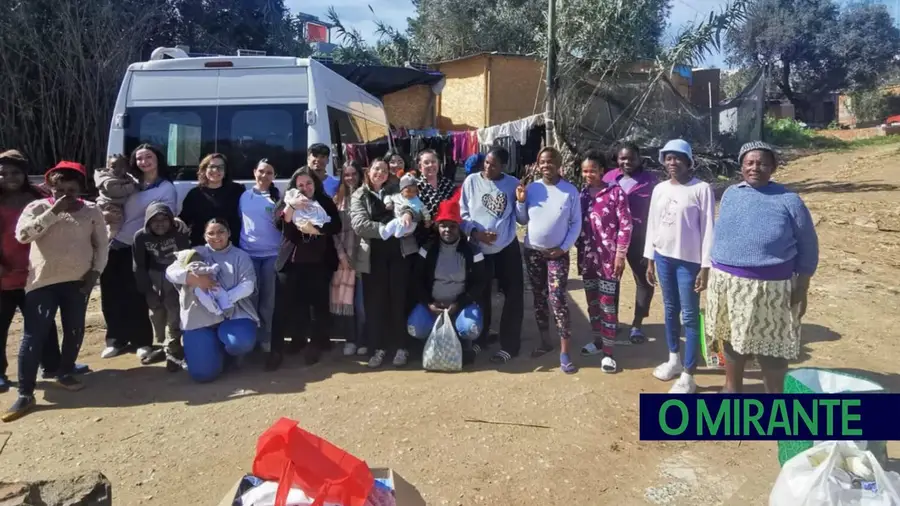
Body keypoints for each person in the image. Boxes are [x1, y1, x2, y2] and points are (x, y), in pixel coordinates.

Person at [707, 141, 819, 393]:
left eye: (762, 163)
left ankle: (775, 399)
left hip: (771, 288)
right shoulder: (730, 194)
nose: (755, 167)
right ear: (741, 166)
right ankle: (731, 388)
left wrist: (803, 285)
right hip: (728, 283)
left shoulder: (789, 200)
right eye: (750, 162)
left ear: (773, 168)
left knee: (772, 346)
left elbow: (808, 246)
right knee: (733, 339)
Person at [3, 162, 107, 422]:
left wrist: (95, 273)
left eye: (71, 190)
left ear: (80, 189)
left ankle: (64, 371)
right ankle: (26, 392)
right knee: (33, 336)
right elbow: (23, 236)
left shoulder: (91, 211)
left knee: (74, 329)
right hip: (42, 282)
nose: (65, 196)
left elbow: (101, 245)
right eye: (59, 190)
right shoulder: (37, 208)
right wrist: (53, 211)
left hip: (78, 281)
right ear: (50, 188)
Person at [0, 150, 76, 393]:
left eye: (15, 172)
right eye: (3, 173)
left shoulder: (39, 197)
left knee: (44, 323)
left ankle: (52, 365)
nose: (9, 177)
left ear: (24, 174)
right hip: (4, 273)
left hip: (36, 272)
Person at [644, 139, 715, 394]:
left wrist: (705, 266)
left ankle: (688, 374)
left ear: (688, 161)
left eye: (678, 158)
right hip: (663, 257)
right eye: (668, 158)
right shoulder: (660, 189)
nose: (672, 163)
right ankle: (674, 358)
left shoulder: (701, 189)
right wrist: (650, 259)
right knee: (670, 309)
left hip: (689, 262)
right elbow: (653, 224)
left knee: (690, 316)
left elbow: (708, 228)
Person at [101, 144, 179, 361]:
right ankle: (115, 340)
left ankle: (142, 342)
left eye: (149, 157)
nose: (144, 162)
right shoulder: (130, 183)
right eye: (139, 158)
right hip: (113, 242)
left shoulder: (165, 188)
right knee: (111, 294)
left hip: (140, 246)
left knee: (137, 294)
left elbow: (166, 218)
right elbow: (107, 198)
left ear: (157, 159)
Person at [165, 219, 258, 383]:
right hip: (200, 317)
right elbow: (170, 272)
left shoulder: (240, 256)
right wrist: (193, 279)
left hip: (233, 313)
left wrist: (222, 300)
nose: (216, 237)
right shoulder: (193, 253)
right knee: (203, 375)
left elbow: (248, 285)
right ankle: (210, 352)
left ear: (229, 233)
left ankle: (227, 353)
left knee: (240, 342)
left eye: (221, 231)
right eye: (211, 233)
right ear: (204, 236)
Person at [515, 147, 582, 373]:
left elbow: (575, 224)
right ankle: (545, 341)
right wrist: (521, 202)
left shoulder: (570, 191)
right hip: (533, 252)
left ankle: (565, 351)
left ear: (558, 164)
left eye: (550, 162)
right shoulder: (532, 188)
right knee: (539, 297)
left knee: (558, 298)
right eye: (542, 162)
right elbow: (522, 220)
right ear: (537, 164)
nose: (546, 166)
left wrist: (563, 248)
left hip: (558, 254)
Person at [268, 167, 342, 369]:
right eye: (300, 184)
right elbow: (278, 223)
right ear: (294, 185)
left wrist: (316, 228)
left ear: (315, 184)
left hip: (318, 262)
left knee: (317, 306)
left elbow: (336, 226)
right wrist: (292, 206)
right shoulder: (287, 200)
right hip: (290, 262)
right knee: (284, 307)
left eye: (308, 183)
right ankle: (278, 348)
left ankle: (316, 343)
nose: (305, 188)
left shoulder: (324, 201)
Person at [459, 146, 525, 364]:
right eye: (486, 162)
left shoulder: (513, 184)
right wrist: (476, 233)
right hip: (479, 249)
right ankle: (481, 337)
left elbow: (521, 219)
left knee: (513, 295)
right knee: (480, 295)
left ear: (503, 166)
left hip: (506, 247)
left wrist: (522, 202)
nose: (488, 167)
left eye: (494, 164)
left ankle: (509, 345)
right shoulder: (471, 182)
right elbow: (463, 214)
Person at [350, 159, 418, 368]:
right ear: (368, 172)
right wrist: (387, 228)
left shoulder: (397, 190)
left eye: (385, 170)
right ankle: (378, 348)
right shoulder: (359, 195)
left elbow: (414, 206)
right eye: (376, 169)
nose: (380, 172)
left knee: (399, 300)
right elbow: (359, 225)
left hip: (398, 253)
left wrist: (407, 213)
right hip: (373, 256)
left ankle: (401, 347)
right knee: (375, 304)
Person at [408, 198, 487, 366]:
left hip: (460, 305)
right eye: (443, 225)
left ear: (459, 227)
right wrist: (428, 303)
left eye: (452, 225)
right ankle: (429, 343)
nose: (447, 230)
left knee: (470, 329)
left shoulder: (472, 251)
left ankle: (465, 344)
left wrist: (459, 303)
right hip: (433, 305)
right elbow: (416, 279)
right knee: (415, 328)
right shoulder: (428, 249)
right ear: (437, 227)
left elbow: (480, 282)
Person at [576, 150, 633, 373]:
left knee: (608, 305)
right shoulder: (582, 195)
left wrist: (620, 254)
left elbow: (626, 226)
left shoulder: (616, 193)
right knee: (592, 303)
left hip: (609, 260)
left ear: (602, 171)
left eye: (592, 170)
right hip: (587, 259)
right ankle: (598, 341)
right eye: (585, 171)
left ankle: (609, 354)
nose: (588, 174)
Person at [603, 144, 657, 344]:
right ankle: (613, 321)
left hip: (639, 238)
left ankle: (637, 324)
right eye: (622, 158)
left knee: (644, 280)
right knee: (612, 280)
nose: (626, 162)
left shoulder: (651, 182)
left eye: (631, 158)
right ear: (617, 159)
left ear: (639, 158)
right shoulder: (608, 178)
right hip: (612, 239)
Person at [132, 203, 190, 368]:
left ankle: (174, 349)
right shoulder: (140, 237)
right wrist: (146, 289)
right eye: (154, 220)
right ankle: (165, 346)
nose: (160, 223)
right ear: (147, 221)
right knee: (157, 314)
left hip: (175, 277)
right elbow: (139, 265)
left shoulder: (179, 234)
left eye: (164, 219)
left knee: (174, 312)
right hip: (154, 277)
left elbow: (186, 258)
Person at [238, 160, 281, 356]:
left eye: (269, 172)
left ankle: (266, 338)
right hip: (249, 255)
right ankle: (250, 339)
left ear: (274, 176)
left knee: (268, 300)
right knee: (250, 298)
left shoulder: (278, 197)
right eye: (261, 171)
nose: (264, 175)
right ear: (254, 172)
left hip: (272, 255)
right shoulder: (244, 196)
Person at [332, 161, 367, 357]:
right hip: (343, 258)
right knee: (346, 303)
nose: (350, 178)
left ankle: (363, 339)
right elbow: (333, 232)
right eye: (347, 175)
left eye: (354, 174)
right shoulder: (338, 199)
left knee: (361, 305)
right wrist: (341, 255)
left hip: (362, 257)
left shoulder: (365, 196)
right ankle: (350, 339)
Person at [179, 153, 245, 247]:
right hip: (202, 247)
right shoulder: (195, 194)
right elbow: (184, 220)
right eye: (212, 166)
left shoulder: (237, 191)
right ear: (204, 169)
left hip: (231, 248)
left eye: (220, 167)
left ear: (225, 171)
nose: (215, 170)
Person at [94, 153, 137, 238]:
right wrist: (131, 186)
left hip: (113, 205)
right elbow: (117, 191)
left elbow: (133, 180)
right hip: (108, 205)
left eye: (122, 167)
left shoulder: (124, 177)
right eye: (113, 167)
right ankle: (108, 238)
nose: (117, 169)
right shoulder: (107, 180)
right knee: (116, 221)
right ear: (108, 167)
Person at [383, 173, 431, 238]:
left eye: (414, 191)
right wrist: (388, 203)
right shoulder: (396, 197)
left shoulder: (417, 201)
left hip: (411, 223)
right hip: (398, 218)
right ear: (401, 190)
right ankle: (387, 233)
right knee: (394, 223)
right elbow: (388, 197)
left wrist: (427, 219)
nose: (411, 193)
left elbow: (424, 210)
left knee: (398, 223)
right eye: (408, 191)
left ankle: (396, 233)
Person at [415, 149, 456, 221]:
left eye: (433, 162)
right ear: (419, 167)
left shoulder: (448, 183)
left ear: (438, 164)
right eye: (426, 163)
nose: (430, 165)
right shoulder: (415, 186)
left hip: (448, 227)